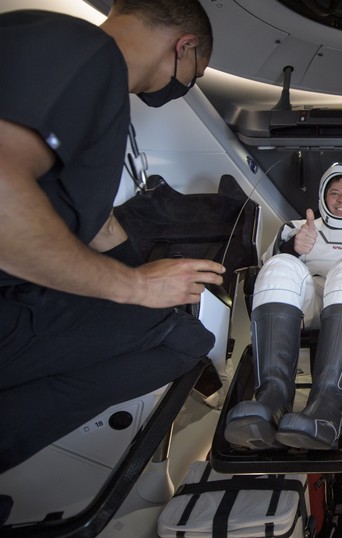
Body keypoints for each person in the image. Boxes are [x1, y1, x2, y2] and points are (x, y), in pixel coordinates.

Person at [0, 1, 223, 474]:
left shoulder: (97, 90)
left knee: (180, 334)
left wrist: (144, 278)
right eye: (195, 74)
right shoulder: (81, 51)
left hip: (17, 299)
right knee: (181, 339)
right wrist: (137, 287)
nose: (185, 87)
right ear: (184, 47)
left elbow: (95, 220)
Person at [225, 163, 342, 451]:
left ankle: (326, 409)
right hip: (305, 308)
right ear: (323, 196)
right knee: (280, 265)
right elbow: (265, 267)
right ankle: (272, 398)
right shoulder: (296, 229)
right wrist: (293, 249)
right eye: (335, 193)